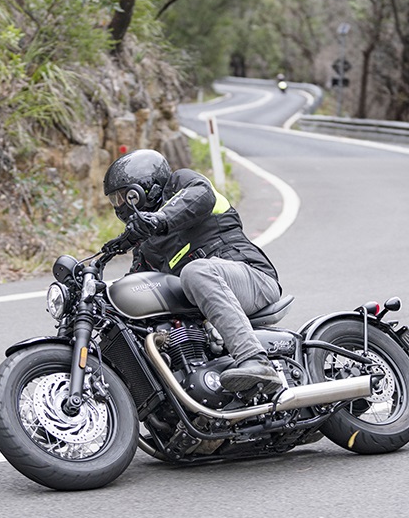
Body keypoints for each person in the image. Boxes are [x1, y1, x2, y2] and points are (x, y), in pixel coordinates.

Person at [103, 149, 284, 395]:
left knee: (195, 271)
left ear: (144, 189)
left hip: (252, 277)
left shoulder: (183, 183)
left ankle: (255, 360)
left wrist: (158, 219)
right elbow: (134, 288)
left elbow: (200, 196)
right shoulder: (146, 248)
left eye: (124, 197)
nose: (120, 206)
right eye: (115, 200)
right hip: (207, 304)